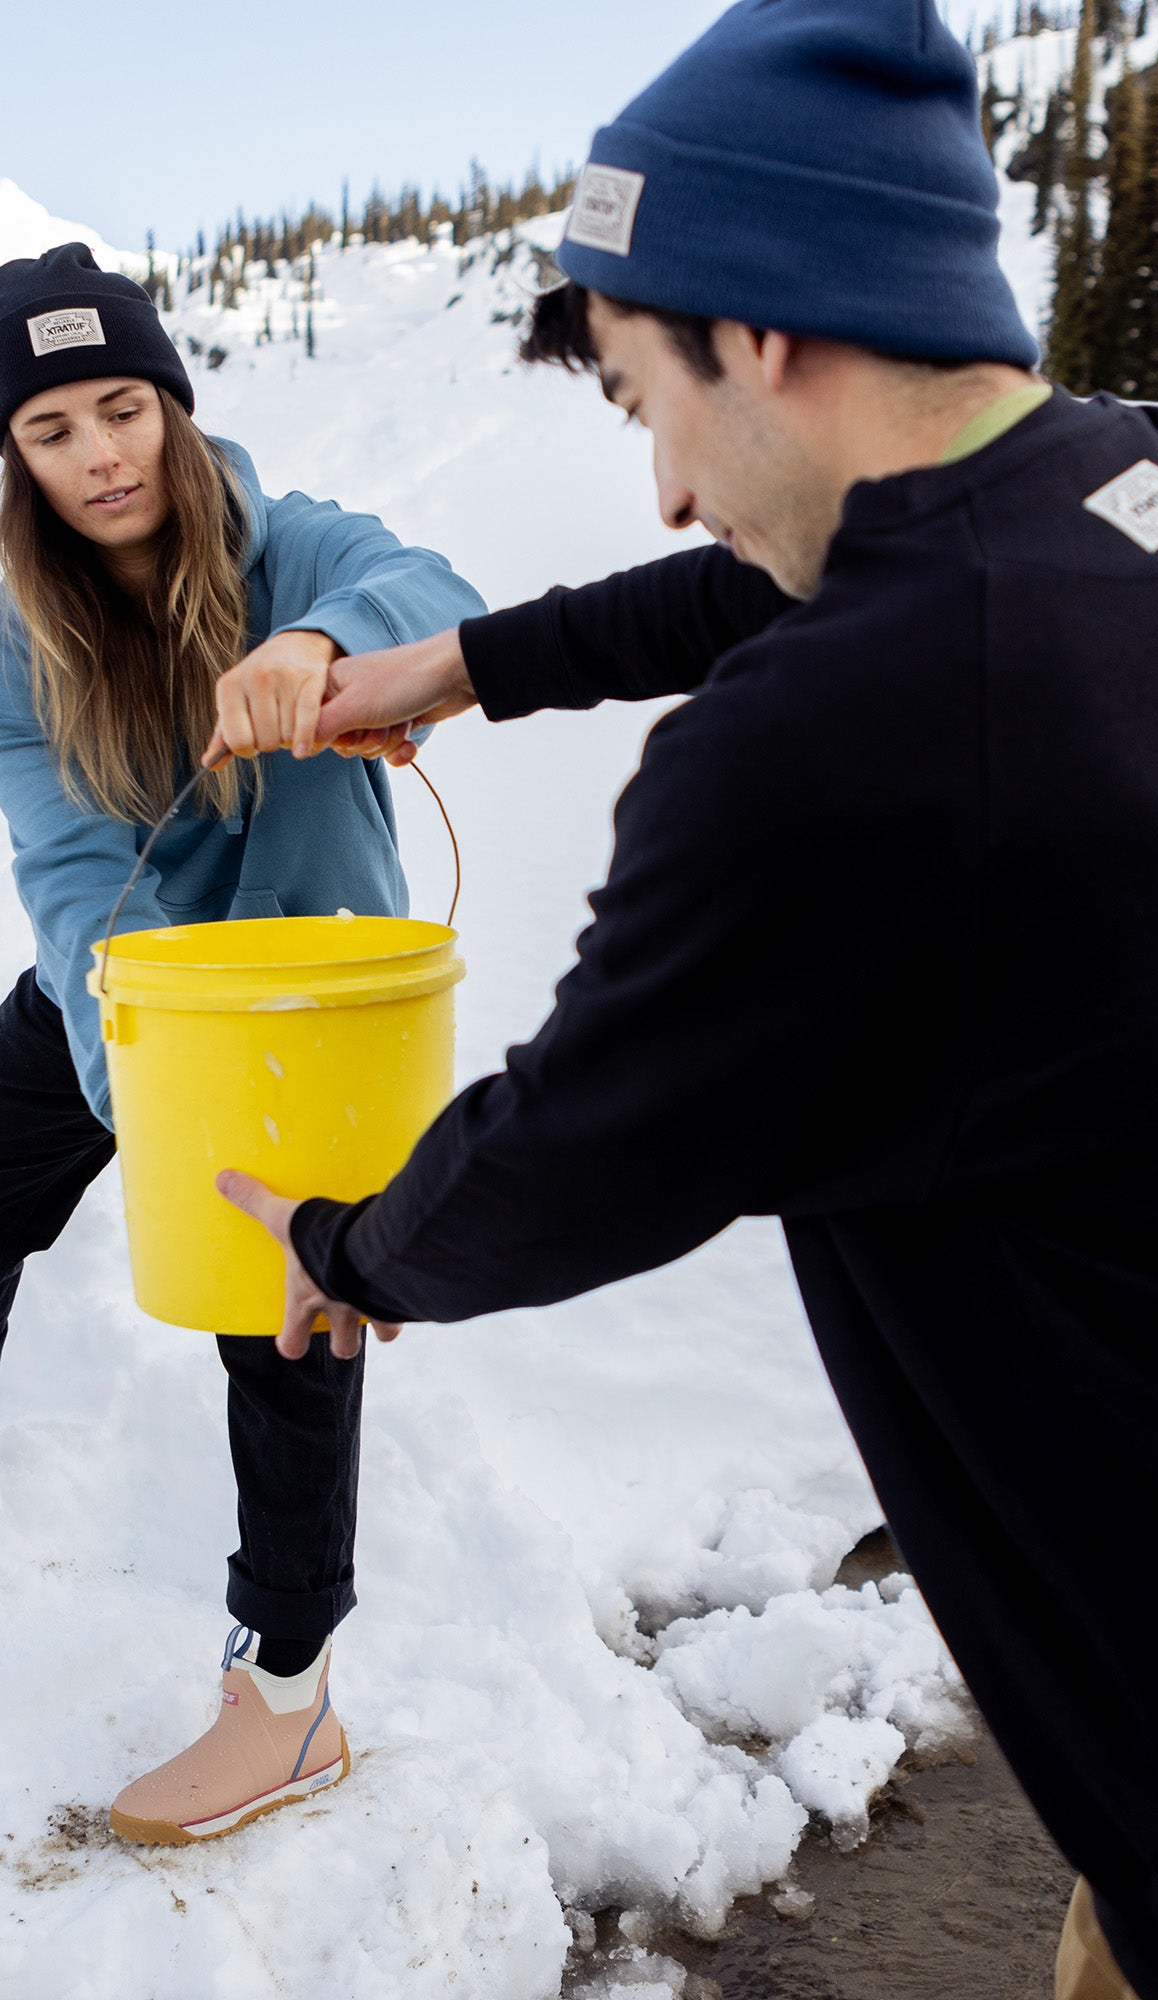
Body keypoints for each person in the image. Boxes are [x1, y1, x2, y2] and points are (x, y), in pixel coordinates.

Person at [210, 3, 1158, 1993]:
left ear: (761, 334)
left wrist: (345, 1246)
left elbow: (575, 1148)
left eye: (646, 396)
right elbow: (828, 571)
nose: (661, 489)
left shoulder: (839, 753)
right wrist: (462, 668)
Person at [0, 243, 484, 1846]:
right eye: (52, 430)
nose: (100, 455)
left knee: (281, 1312)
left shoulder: (290, 548)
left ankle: (287, 1693)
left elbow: (440, 592)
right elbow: (70, 870)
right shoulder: (17, 625)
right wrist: (121, 1053)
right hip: (133, 983)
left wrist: (320, 647)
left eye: (122, 407)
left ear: (174, 409)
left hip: (306, 994)